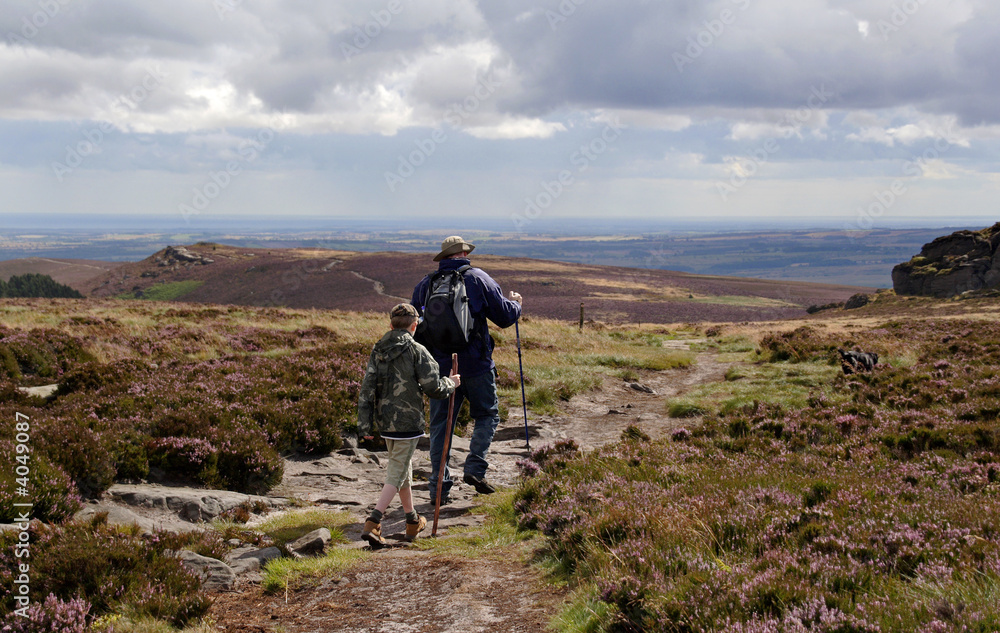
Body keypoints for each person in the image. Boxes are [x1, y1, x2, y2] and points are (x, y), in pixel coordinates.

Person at [411, 236, 522, 505]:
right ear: (463, 253)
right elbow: (505, 317)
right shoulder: (477, 278)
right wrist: (517, 303)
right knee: (487, 415)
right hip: (476, 365)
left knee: (440, 426)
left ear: (444, 257)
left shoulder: (425, 285)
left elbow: (416, 328)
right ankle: (474, 468)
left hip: (441, 369)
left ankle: (439, 488)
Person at [357, 303, 460, 548]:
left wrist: (364, 425)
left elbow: (366, 389)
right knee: (396, 472)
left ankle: (412, 520)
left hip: (386, 422)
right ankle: (373, 521)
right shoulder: (417, 350)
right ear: (415, 326)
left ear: (390, 325)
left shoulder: (378, 349)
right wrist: (452, 383)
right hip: (409, 422)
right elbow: (434, 388)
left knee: (403, 470)